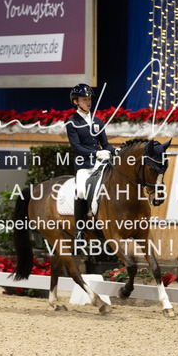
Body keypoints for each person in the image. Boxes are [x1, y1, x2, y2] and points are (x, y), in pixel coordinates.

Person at [65, 83, 116, 243]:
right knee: (81, 191)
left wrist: (116, 151)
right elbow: (76, 147)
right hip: (84, 165)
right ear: (76, 102)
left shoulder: (98, 122)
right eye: (84, 100)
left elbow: (105, 144)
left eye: (89, 99)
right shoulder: (72, 123)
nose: (88, 102)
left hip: (100, 163)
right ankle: (79, 229)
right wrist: (95, 153)